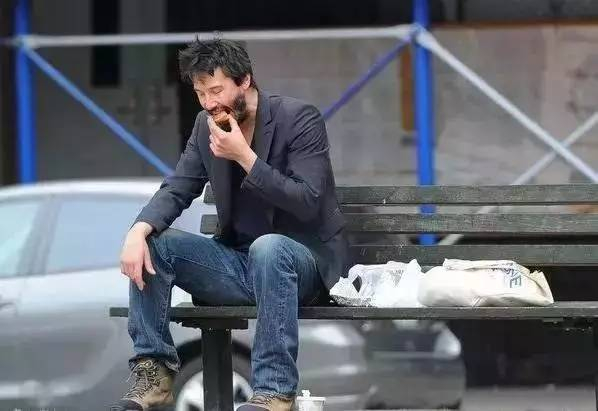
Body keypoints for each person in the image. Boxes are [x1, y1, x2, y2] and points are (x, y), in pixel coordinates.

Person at [111, 38, 350, 411]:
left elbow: (308, 201)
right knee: (155, 243)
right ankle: (154, 372)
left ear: (245, 80)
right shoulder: (204, 126)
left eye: (216, 90)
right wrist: (138, 230)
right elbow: (178, 187)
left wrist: (244, 157)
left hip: (302, 265)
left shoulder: (299, 119)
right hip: (240, 265)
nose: (209, 103)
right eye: (200, 93)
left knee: (269, 247)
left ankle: (274, 391)